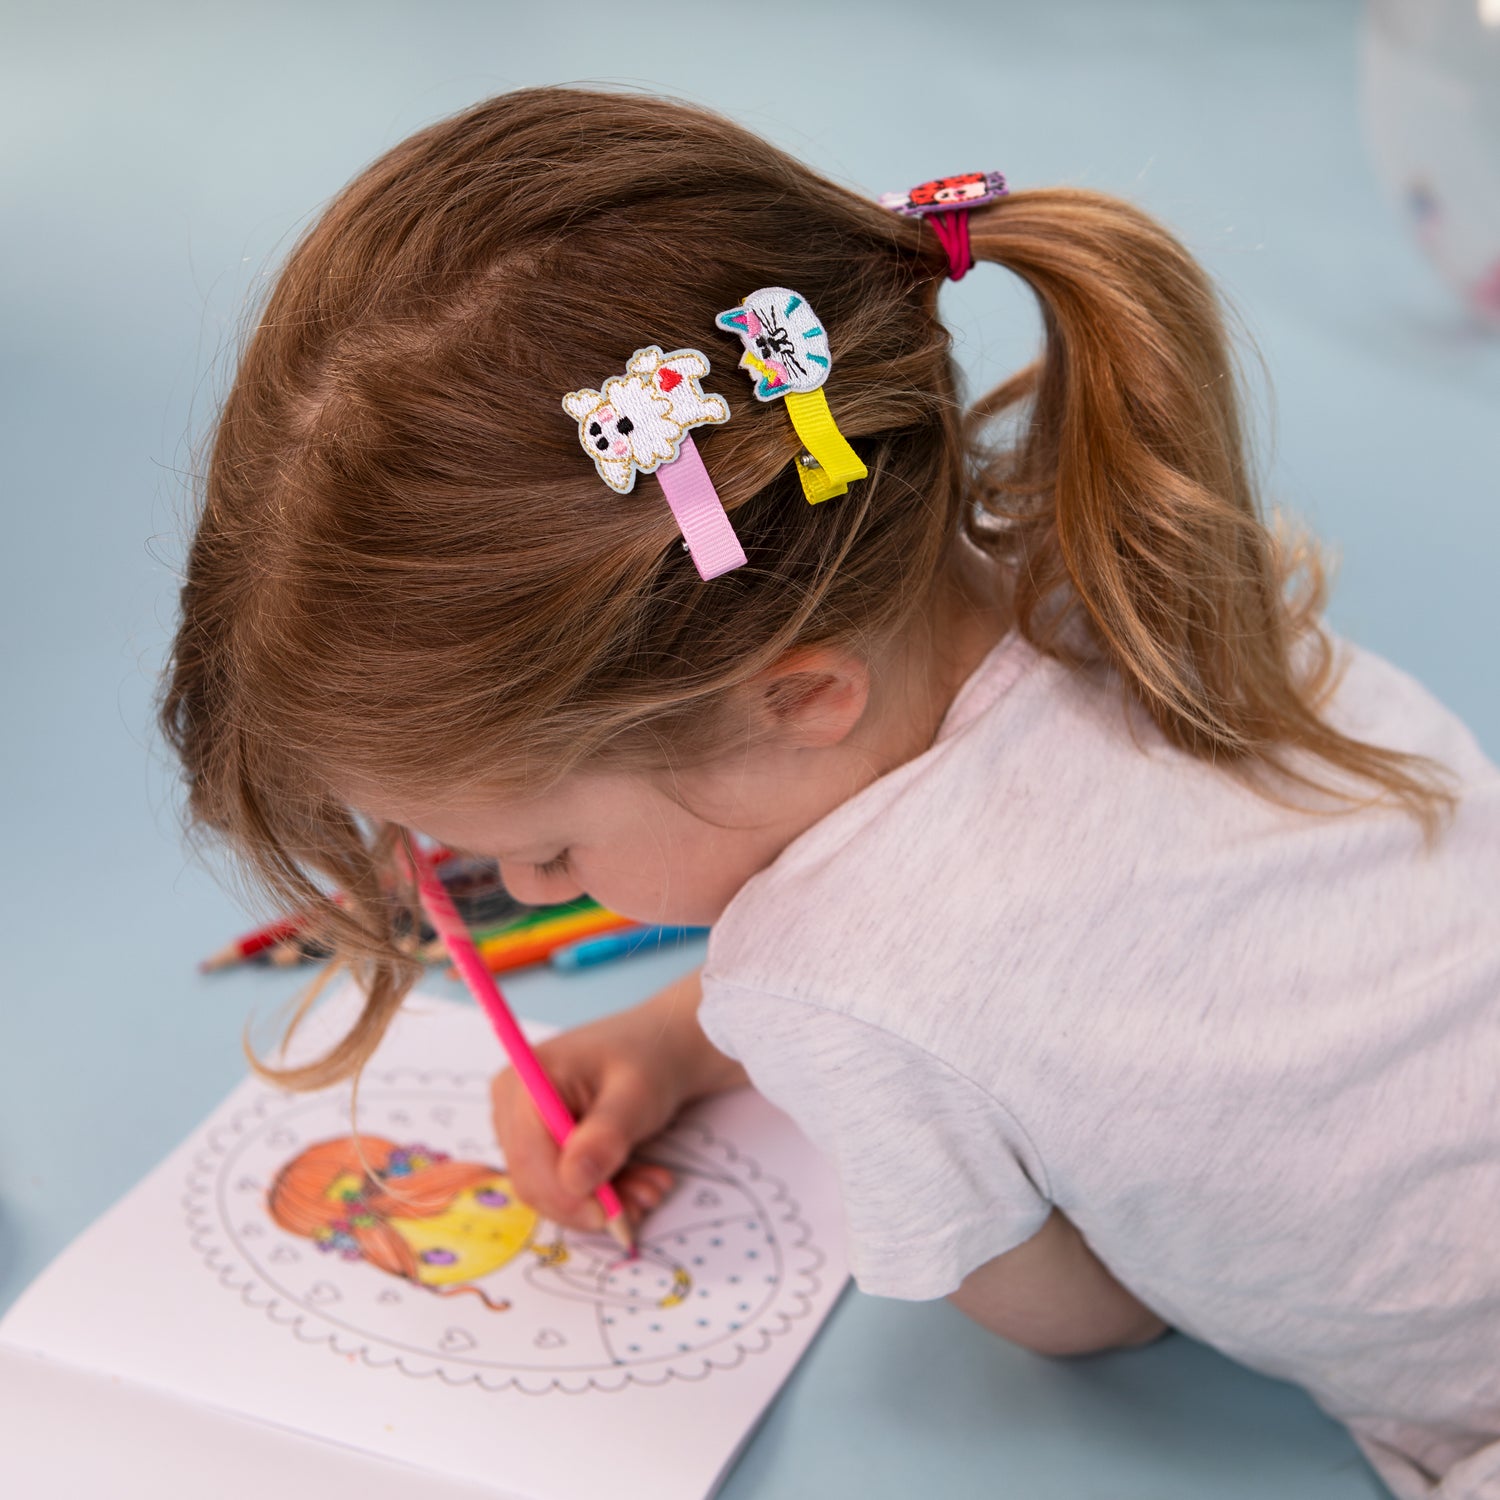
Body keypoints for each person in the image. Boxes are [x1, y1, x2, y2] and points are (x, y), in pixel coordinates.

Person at [160, 86, 1500, 1498]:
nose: (536, 893)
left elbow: (1092, 1318)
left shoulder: (822, 987)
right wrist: (687, 1043)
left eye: (549, 850)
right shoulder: (1129, 554)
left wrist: (794, 1038)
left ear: (800, 698)